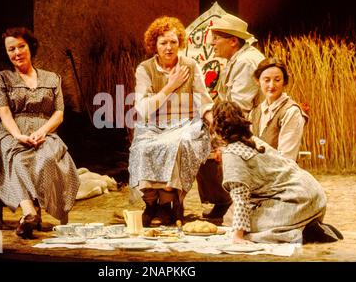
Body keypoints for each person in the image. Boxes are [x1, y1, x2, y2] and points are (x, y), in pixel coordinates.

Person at [0, 27, 80, 239]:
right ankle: (28, 214)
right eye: (11, 49)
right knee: (17, 159)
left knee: (47, 157)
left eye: (21, 46)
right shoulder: (1, 79)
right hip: (11, 133)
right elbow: (5, 113)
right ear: (7, 53)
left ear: (30, 47)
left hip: (45, 132)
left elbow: (59, 114)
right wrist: (18, 135)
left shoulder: (52, 78)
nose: (17, 52)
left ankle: (40, 211)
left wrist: (43, 131)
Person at [212, 100, 343, 244]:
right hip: (316, 196)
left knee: (243, 227)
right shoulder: (253, 141)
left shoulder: (232, 154)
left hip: (297, 201)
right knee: (235, 219)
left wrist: (238, 236)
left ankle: (304, 233)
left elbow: (240, 199)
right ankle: (309, 223)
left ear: (217, 129)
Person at [128, 16, 214, 227]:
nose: (169, 47)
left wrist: (213, 124)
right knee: (143, 147)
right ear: (154, 45)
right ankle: (151, 204)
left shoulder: (190, 66)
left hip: (186, 123)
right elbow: (144, 108)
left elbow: (204, 100)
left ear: (180, 43)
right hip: (153, 124)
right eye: (163, 43)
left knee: (177, 144)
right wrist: (170, 86)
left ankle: (168, 203)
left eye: (173, 42)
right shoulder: (145, 69)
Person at [196, 13, 265, 220]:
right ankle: (222, 199)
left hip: (248, 127)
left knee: (198, 143)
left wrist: (218, 135)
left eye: (217, 38)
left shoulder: (246, 62)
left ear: (233, 41)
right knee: (195, 135)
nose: (213, 43)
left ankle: (223, 200)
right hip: (238, 121)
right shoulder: (237, 59)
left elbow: (239, 108)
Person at [249, 57, 308, 161]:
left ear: (284, 81)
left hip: (281, 174)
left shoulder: (291, 111)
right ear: (258, 81)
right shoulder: (254, 112)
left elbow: (287, 158)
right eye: (266, 80)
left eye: (277, 80)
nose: (271, 85)